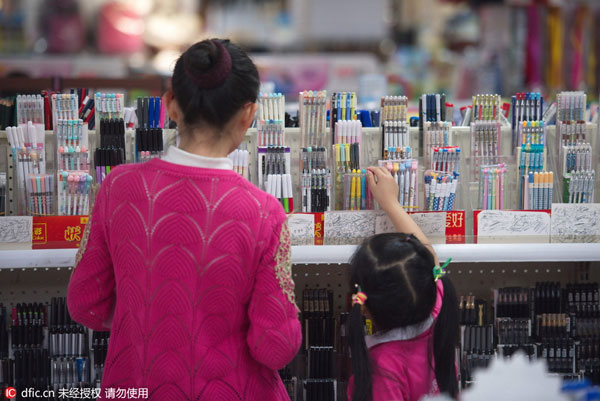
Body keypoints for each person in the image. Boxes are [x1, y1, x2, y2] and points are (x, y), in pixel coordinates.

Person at [67, 39, 302, 401]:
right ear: (248, 114)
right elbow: (276, 346)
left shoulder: (117, 188)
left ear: (170, 104)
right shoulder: (262, 212)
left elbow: (85, 303)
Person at [348, 166, 460, 401]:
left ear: (365, 306)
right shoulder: (436, 315)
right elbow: (431, 262)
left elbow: (429, 262)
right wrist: (392, 204)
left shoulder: (381, 369)